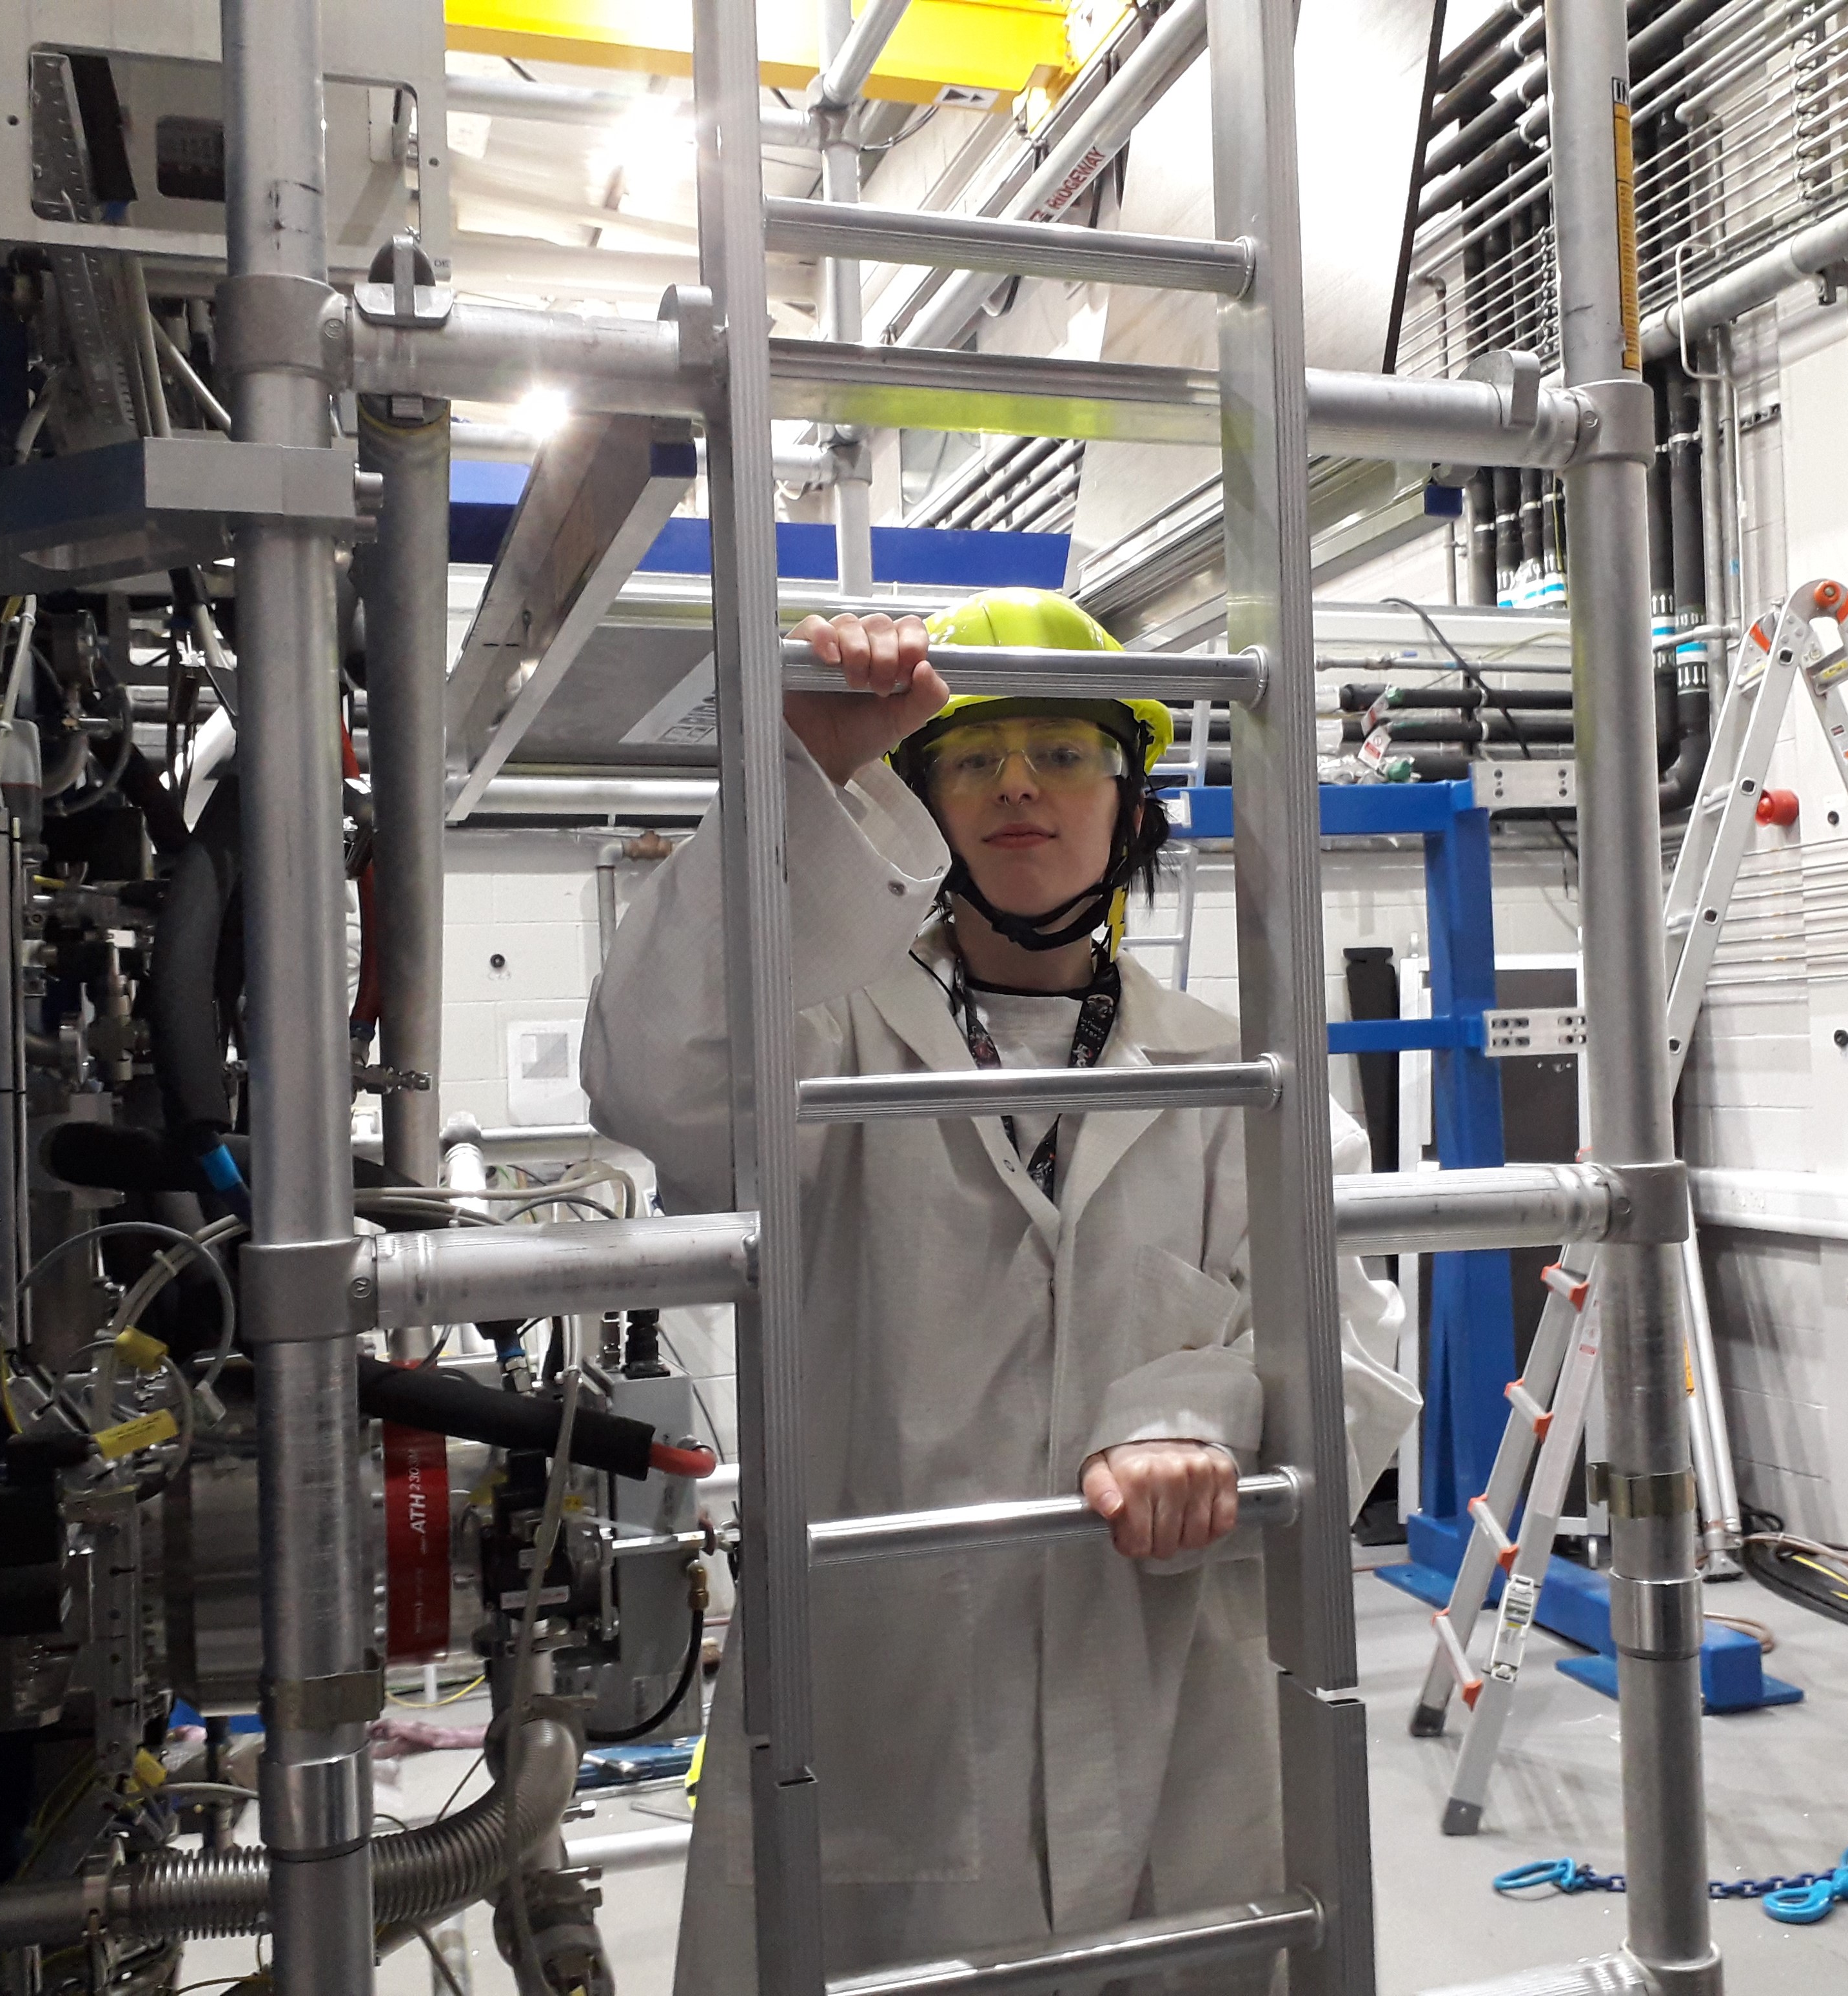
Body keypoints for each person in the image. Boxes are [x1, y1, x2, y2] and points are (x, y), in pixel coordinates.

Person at [582, 589, 1418, 1993]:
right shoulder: (818, 1041)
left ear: (1133, 807)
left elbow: (1341, 1341)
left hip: (1164, 1697)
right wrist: (808, 762)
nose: (1018, 785)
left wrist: (1191, 1410)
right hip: (889, 1699)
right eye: (971, 757)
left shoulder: (1235, 1074)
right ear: (916, 802)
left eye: (1064, 753)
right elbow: (652, 1079)